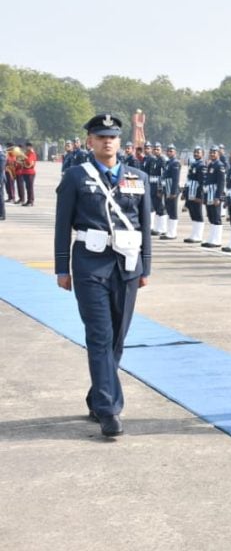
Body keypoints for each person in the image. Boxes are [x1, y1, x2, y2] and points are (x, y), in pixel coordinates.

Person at [54, 113, 152, 437]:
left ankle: (98, 395)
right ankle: (110, 409)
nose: (107, 141)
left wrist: (145, 266)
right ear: (90, 142)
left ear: (120, 142)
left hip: (126, 266)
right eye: (100, 136)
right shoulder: (75, 176)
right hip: (90, 267)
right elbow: (62, 225)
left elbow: (145, 226)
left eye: (112, 136)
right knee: (100, 336)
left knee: (118, 338)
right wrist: (61, 267)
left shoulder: (138, 177)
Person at [202, 145, 227, 249]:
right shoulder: (211, 164)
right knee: (211, 216)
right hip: (209, 193)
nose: (212, 154)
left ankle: (217, 240)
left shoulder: (219, 165)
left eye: (214, 152)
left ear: (218, 154)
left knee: (216, 217)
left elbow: (221, 183)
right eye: (211, 152)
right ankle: (211, 238)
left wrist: (218, 197)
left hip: (215, 194)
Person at [183, 146, 207, 243]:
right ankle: (194, 234)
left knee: (198, 213)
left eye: (198, 152)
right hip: (190, 192)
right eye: (195, 152)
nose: (196, 154)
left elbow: (202, 182)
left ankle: (198, 235)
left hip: (196, 193)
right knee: (192, 213)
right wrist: (185, 192)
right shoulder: (193, 164)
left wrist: (199, 196)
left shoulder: (202, 166)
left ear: (202, 154)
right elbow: (188, 180)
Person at [142, 142, 166, 235]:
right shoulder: (154, 160)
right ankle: (157, 227)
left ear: (161, 150)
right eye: (155, 149)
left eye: (158, 149)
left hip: (157, 185)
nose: (156, 151)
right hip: (151, 184)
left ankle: (162, 228)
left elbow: (163, 175)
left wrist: (160, 189)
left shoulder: (162, 160)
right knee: (154, 206)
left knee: (160, 207)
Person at [160, 144, 182, 240]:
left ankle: (172, 233)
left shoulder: (175, 163)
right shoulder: (168, 163)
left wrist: (173, 192)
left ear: (175, 152)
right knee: (169, 210)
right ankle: (169, 231)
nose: (169, 152)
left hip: (172, 191)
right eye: (168, 151)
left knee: (173, 211)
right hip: (167, 189)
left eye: (171, 151)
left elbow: (175, 179)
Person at [17, 141, 36, 206]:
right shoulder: (27, 153)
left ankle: (30, 201)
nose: (27, 147)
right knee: (27, 187)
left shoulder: (31, 153)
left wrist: (24, 156)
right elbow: (22, 160)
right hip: (25, 172)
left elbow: (29, 162)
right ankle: (29, 200)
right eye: (27, 146)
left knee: (30, 187)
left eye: (28, 146)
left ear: (31, 147)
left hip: (30, 172)